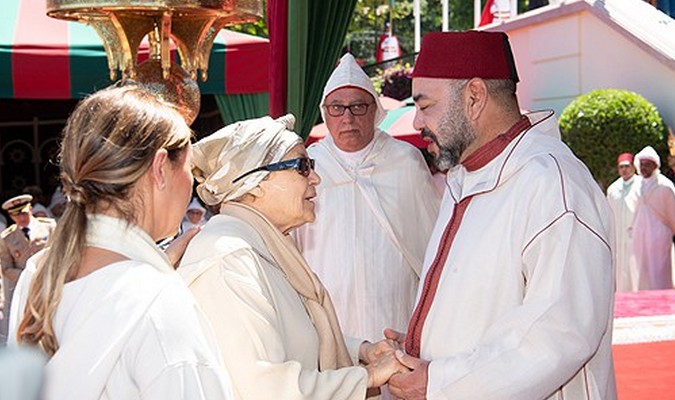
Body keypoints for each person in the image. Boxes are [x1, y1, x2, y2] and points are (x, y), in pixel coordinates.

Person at [386, 31, 616, 400]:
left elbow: (560, 332)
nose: (416, 123)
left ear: (474, 97)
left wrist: (440, 380)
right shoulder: (464, 178)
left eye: (425, 106)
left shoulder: (551, 182)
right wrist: (422, 346)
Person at [15, 84, 234, 400]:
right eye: (190, 167)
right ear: (160, 168)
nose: (192, 183)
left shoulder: (38, 275)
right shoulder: (157, 303)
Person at [179, 114, 405, 399]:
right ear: (254, 182)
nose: (316, 177)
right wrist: (367, 376)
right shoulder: (229, 259)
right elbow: (265, 388)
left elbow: (297, 336)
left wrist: (362, 351)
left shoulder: (263, 244)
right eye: (301, 166)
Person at [294, 53, 440, 344]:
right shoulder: (307, 166)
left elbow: (431, 244)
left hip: (397, 318)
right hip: (330, 324)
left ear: (375, 110)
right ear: (326, 113)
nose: (347, 117)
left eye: (358, 106)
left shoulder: (405, 161)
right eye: (337, 108)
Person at [0, 194, 56, 344]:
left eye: (23, 212)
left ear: (30, 209)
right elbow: (6, 268)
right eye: (16, 215)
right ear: (10, 216)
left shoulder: (49, 226)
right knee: (25, 326)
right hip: (23, 287)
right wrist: (28, 276)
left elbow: (58, 255)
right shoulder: (6, 238)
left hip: (48, 284)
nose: (21, 218)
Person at [632, 145, 675, 290]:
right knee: (641, 268)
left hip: (659, 234)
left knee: (659, 270)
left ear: (655, 165)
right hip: (640, 233)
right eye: (641, 164)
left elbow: (672, 212)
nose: (643, 168)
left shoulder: (665, 186)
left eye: (647, 165)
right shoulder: (636, 185)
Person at [606, 153, 641, 292]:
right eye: (621, 167)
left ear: (633, 167)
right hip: (619, 237)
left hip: (637, 236)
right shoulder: (613, 189)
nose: (624, 170)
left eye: (627, 166)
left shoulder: (641, 185)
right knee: (621, 271)